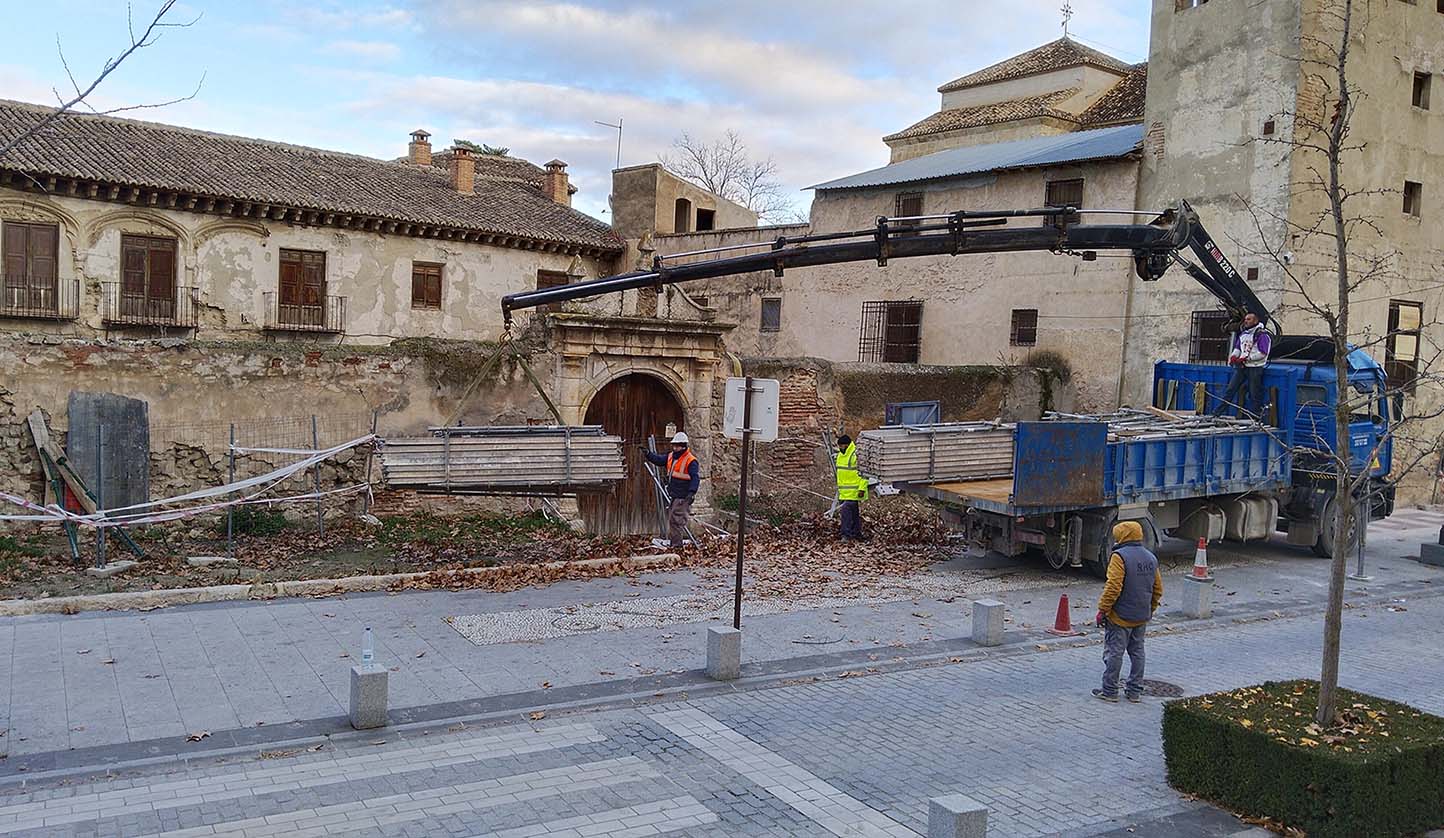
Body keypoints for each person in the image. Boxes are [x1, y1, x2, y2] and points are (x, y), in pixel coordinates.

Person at [1093, 521, 1164, 704]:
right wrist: (1149, 609)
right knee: (1138, 652)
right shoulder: (1150, 557)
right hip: (1141, 615)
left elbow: (1113, 587)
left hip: (1120, 616)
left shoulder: (1119, 557)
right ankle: (1134, 692)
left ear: (1122, 537)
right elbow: (1158, 589)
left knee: (1115, 653)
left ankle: (1109, 691)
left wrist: (1103, 609)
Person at [642, 431, 700, 550]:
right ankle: (675, 543)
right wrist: (648, 454)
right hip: (675, 494)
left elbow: (695, 478)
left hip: (683, 496)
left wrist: (691, 493)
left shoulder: (691, 461)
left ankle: (677, 546)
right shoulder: (671, 457)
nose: (674, 448)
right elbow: (658, 460)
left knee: (676, 520)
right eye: (674, 445)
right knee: (674, 520)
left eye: (677, 446)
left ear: (683, 446)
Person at [1213, 311, 1272, 418]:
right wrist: (1233, 356)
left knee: (1254, 393)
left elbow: (1263, 353)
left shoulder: (1262, 335)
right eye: (1245, 319)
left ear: (1256, 320)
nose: (1246, 321)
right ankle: (1216, 413)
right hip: (1242, 366)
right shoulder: (1244, 334)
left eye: (1249, 319)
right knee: (1230, 390)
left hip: (1255, 367)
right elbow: (1238, 348)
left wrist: (1247, 358)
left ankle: (1256, 417)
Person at [834, 434, 869, 541]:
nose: (840, 448)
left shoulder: (856, 455)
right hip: (844, 492)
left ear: (847, 445)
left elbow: (864, 473)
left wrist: (862, 488)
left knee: (846, 512)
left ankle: (846, 534)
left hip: (854, 491)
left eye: (842, 446)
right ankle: (856, 533)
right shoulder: (840, 455)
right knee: (853, 514)